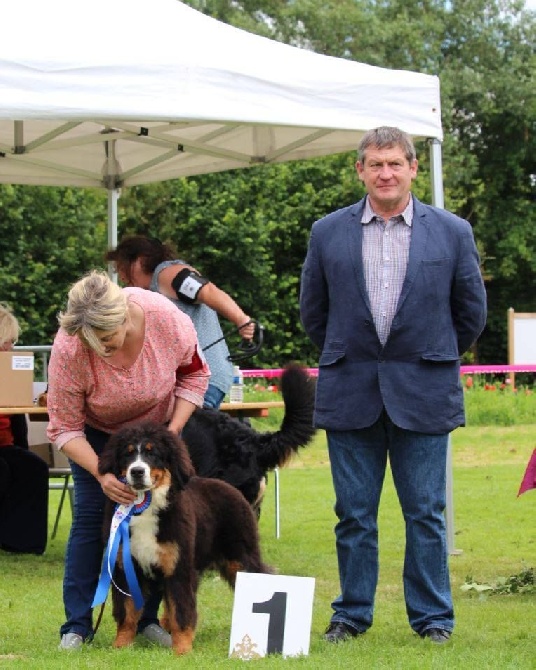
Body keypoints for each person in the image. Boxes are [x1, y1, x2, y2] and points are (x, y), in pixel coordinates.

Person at [300, 127, 487, 644]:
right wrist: (356, 355)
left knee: (425, 514)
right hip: (350, 389)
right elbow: (314, 314)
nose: (385, 173)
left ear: (412, 169)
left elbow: (470, 315)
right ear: (359, 170)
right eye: (375, 164)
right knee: (353, 515)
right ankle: (351, 615)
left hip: (424, 390)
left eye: (395, 164)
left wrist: (427, 355)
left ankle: (433, 620)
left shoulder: (452, 231)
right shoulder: (327, 232)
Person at [46, 270, 210, 651]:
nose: (97, 348)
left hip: (158, 436)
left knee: (161, 525)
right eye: (88, 341)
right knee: (90, 520)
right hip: (99, 441)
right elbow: (64, 427)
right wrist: (102, 475)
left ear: (123, 319)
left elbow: (195, 375)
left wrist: (171, 432)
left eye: (104, 339)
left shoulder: (166, 320)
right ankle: (76, 625)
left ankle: (148, 620)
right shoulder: (70, 347)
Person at [105, 235, 255, 409]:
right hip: (195, 381)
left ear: (139, 261)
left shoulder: (167, 273)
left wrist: (241, 320)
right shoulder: (149, 292)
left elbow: (208, 291)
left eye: (122, 268)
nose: (122, 277)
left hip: (202, 380)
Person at [0, 303, 49, 555]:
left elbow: (17, 415)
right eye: (7, 342)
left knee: (34, 467)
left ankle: (22, 542)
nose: (11, 348)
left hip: (5, 445)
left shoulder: (10, 370)